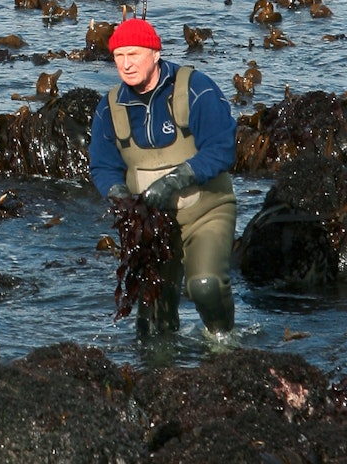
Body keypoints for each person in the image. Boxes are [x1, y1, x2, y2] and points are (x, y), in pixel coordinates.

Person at [88, 17, 237, 337]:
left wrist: (175, 179)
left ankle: (224, 345)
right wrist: (117, 193)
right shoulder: (110, 108)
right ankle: (158, 369)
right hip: (150, 224)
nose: (126, 65)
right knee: (153, 314)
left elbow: (223, 148)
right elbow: (103, 165)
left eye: (134, 55)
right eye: (119, 57)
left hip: (206, 210)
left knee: (205, 285)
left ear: (155, 53)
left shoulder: (196, 89)